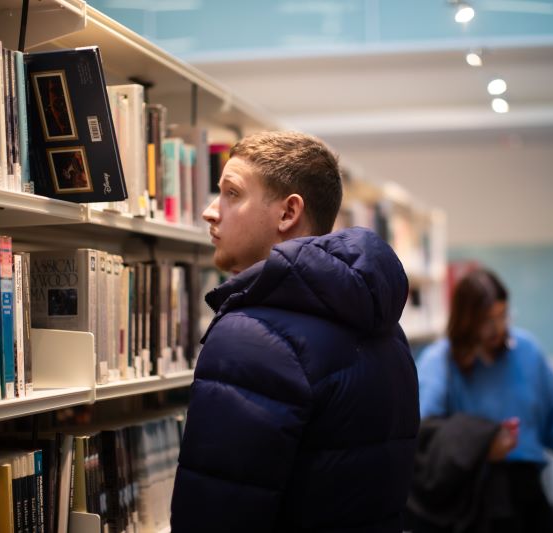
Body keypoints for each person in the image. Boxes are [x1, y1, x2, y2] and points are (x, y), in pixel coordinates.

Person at [171, 131, 420, 532]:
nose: (211, 212)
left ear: (288, 213)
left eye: (232, 193)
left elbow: (217, 512)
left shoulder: (249, 336)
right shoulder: (387, 331)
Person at [414, 268, 553, 533]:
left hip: (526, 488)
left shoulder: (527, 350)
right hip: (470, 497)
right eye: (485, 320)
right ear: (466, 320)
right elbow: (425, 436)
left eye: (502, 316)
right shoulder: (439, 362)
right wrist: (481, 445)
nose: (497, 329)